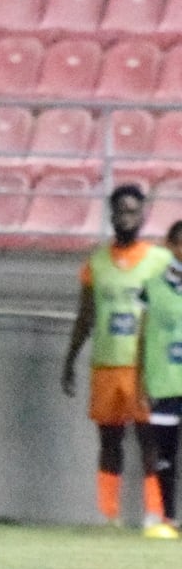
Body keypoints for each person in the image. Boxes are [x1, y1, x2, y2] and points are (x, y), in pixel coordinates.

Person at [62, 185, 175, 535]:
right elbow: (86, 314)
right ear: (111, 215)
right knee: (109, 441)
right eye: (120, 211)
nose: (126, 218)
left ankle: (156, 514)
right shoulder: (96, 262)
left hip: (144, 366)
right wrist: (70, 358)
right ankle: (108, 514)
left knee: (149, 439)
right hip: (106, 363)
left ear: (143, 216)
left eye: (132, 212)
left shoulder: (160, 261)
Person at [136, 219, 182, 535]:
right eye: (179, 243)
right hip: (163, 382)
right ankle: (167, 517)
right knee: (164, 455)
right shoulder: (151, 287)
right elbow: (141, 337)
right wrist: (139, 380)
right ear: (169, 245)